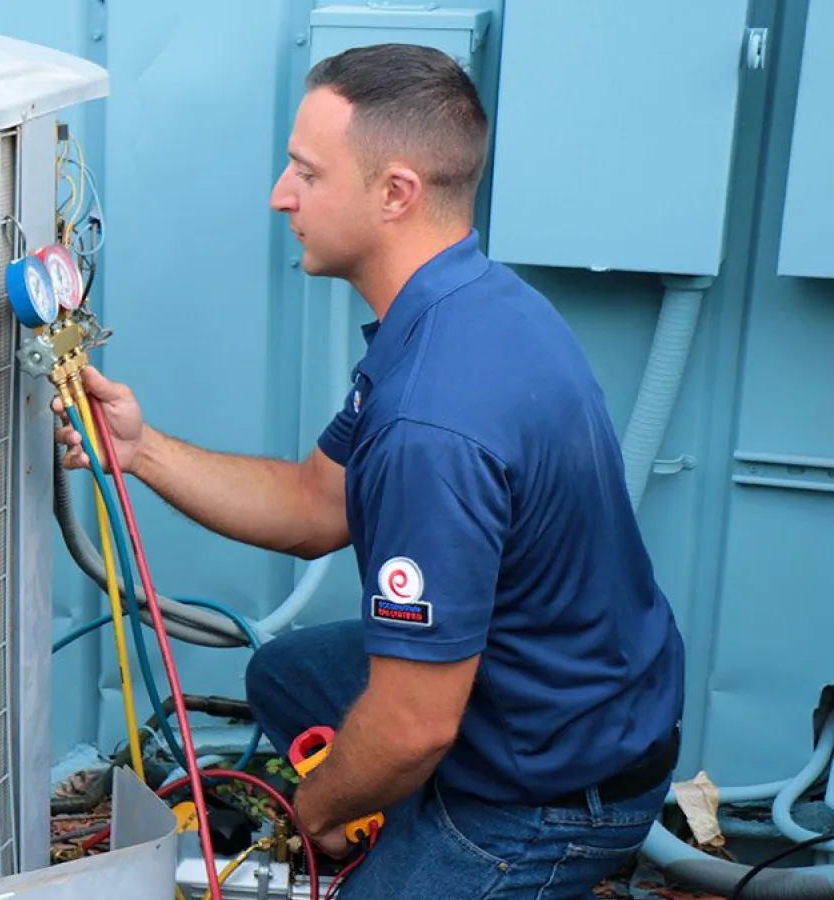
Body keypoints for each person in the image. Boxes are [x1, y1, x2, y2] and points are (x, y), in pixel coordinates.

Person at [53, 42, 685, 898]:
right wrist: (141, 450)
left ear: (395, 193)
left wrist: (309, 813)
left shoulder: (434, 421)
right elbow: (316, 504)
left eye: (306, 174)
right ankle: (406, 827)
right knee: (285, 675)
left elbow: (415, 726)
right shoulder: (473, 305)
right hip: (577, 697)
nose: (281, 194)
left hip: (548, 794)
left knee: (379, 754)